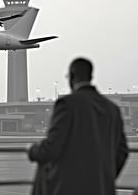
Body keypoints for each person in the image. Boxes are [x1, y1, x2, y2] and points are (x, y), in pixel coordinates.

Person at [28, 57, 129, 195]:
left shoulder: (67, 104)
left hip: (68, 188)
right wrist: (104, 177)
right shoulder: (112, 109)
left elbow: (51, 149)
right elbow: (122, 151)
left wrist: (32, 150)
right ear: (91, 76)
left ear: (72, 77)